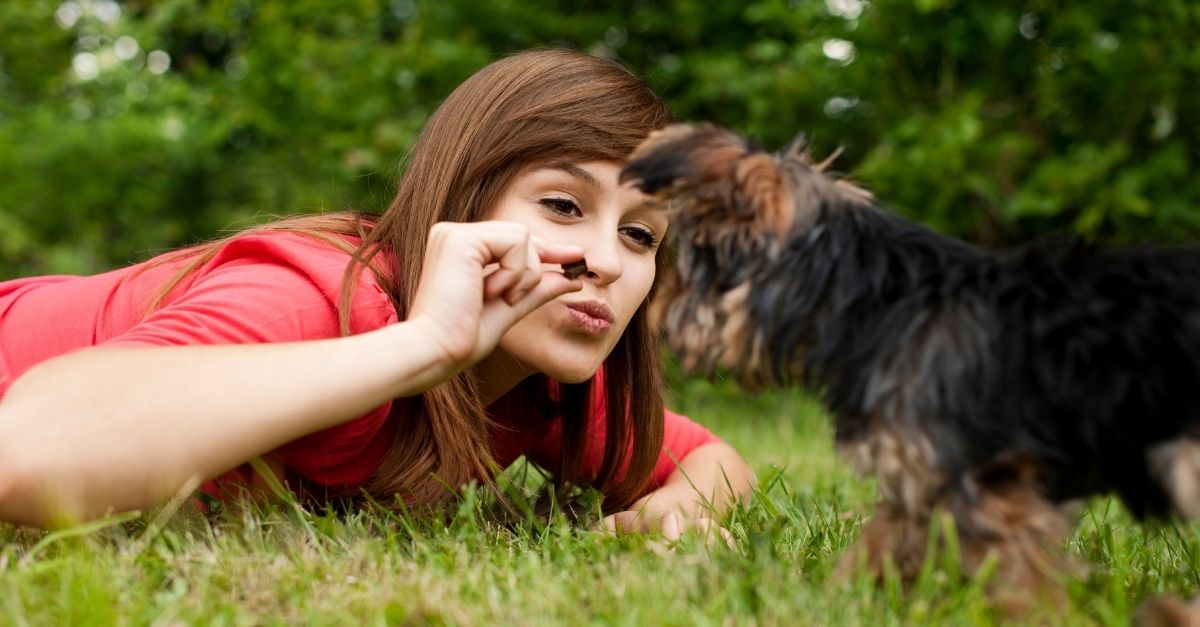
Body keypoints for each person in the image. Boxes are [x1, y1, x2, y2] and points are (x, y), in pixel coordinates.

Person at [0, 49, 754, 535]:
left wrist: (674, 513)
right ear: (463, 205)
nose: (607, 262)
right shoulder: (328, 300)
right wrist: (423, 345)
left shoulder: (537, 386)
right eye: (562, 205)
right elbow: (23, 453)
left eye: (640, 235)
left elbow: (711, 457)